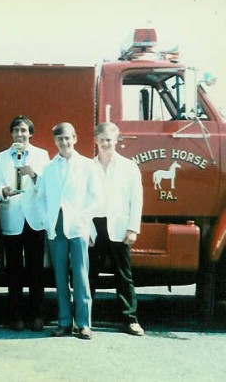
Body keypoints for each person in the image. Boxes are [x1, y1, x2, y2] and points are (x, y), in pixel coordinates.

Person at [37, 122, 102, 340]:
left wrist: (84, 220)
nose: (64, 142)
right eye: (59, 139)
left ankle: (84, 323)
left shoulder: (87, 165)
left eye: (67, 138)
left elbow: (96, 197)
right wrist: (47, 221)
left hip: (78, 225)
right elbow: (41, 198)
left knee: (81, 276)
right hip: (56, 226)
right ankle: (64, 322)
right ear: (54, 141)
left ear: (74, 138)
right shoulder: (49, 168)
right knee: (60, 276)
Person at [0, 115, 50, 332]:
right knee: (13, 270)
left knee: (36, 269)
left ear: (31, 133)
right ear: (11, 134)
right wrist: (3, 191)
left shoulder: (41, 155)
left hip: (34, 219)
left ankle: (37, 315)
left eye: (24, 130)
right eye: (16, 130)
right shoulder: (1, 158)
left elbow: (47, 186)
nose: (20, 134)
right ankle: (15, 316)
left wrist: (34, 175)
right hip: (12, 217)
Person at [89, 122, 145, 336]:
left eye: (109, 140)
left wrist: (133, 228)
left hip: (119, 227)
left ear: (116, 141)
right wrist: (86, 230)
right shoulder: (88, 167)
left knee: (124, 275)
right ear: (96, 141)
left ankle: (130, 319)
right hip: (94, 226)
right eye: (101, 139)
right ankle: (84, 318)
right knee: (89, 274)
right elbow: (82, 200)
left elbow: (136, 199)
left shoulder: (129, 167)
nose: (105, 143)